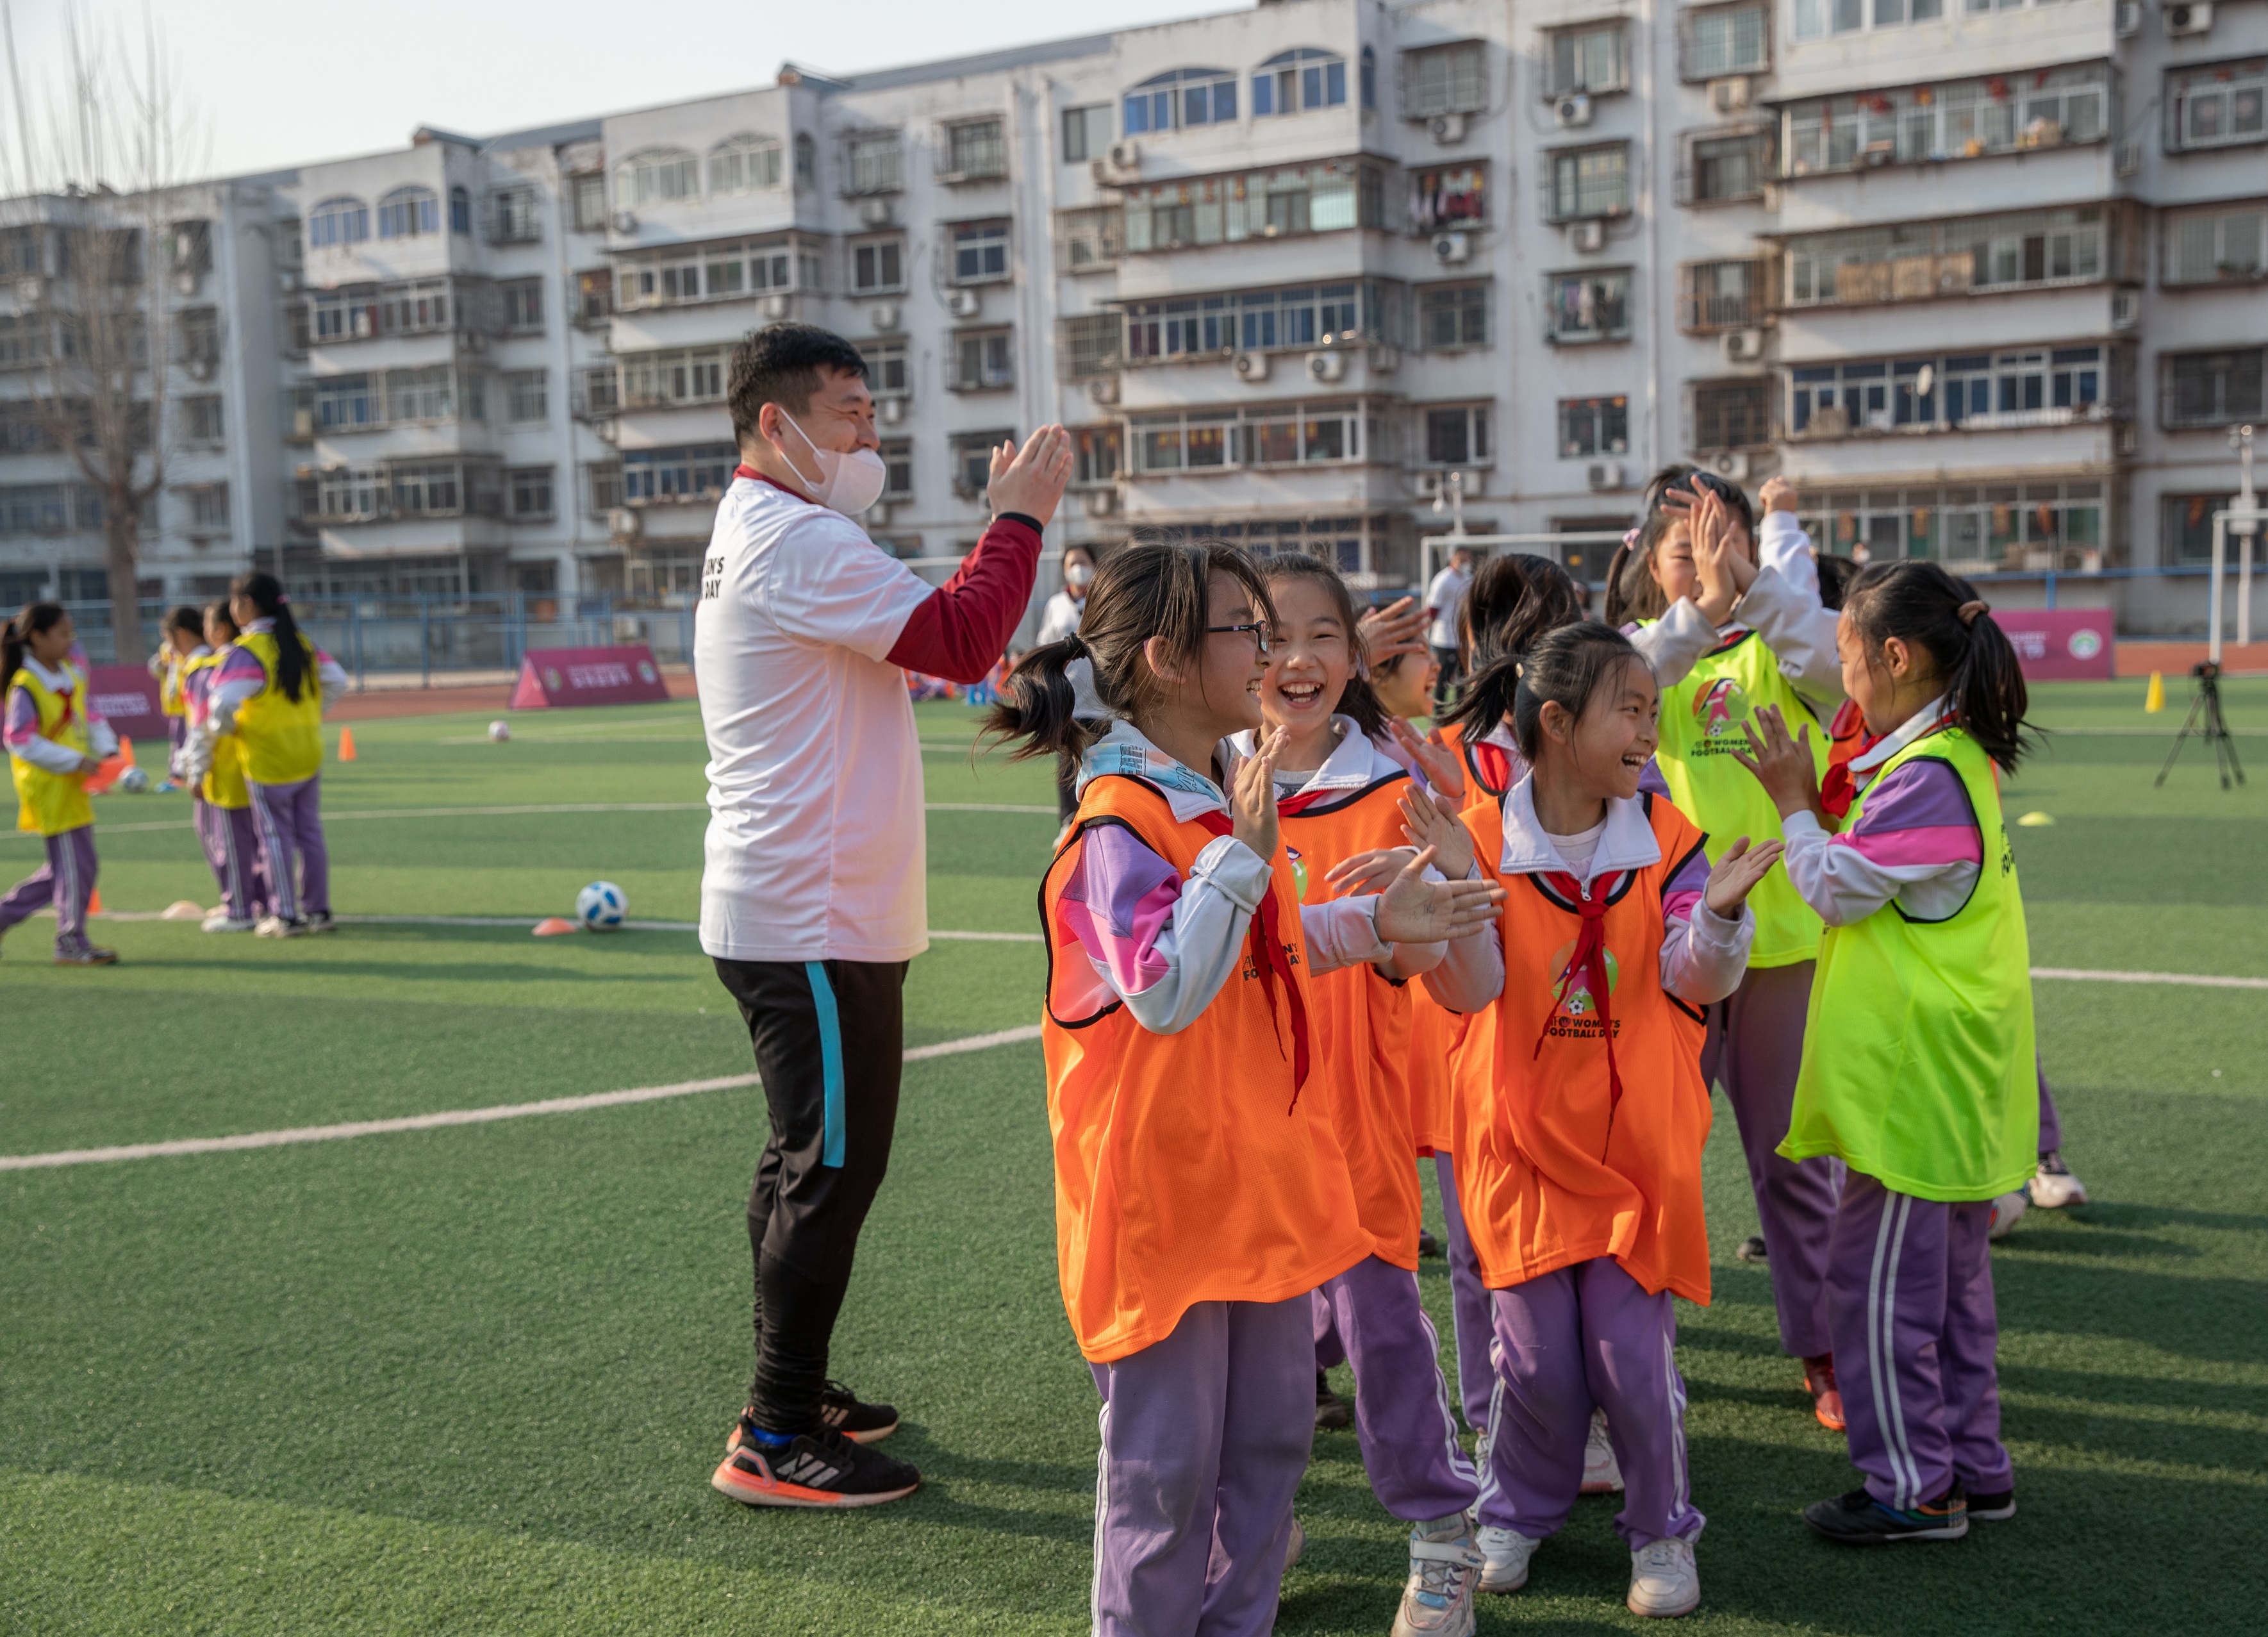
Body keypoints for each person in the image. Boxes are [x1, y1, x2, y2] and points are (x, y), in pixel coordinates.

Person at [985, 540, 1500, 1637]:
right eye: (1245, 630)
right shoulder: (1118, 818)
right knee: (1164, 1481)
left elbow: (1258, 952)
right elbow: (1166, 982)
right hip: (1163, 1210)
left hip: (1256, 1189)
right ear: (1170, 658)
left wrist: (1372, 923)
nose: (1268, 654)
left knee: (1267, 1442)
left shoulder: (1217, 792)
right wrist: (1248, 851)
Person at [698, 322, 1073, 1511]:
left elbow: (928, 653)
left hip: (802, 902)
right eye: (851, 410)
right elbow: (960, 638)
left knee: (801, 1159)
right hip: (810, 911)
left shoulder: (786, 532)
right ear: (778, 422)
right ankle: (773, 1429)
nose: (871, 433)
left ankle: (787, 1392)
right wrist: (1015, 519)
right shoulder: (792, 535)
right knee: (831, 1167)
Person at [1421, 622, 1781, 1620]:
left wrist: (1713, 919)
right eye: (1629, 712)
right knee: (1530, 1360)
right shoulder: (1479, 836)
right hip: (1518, 1145)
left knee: (1630, 1361)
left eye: (1650, 715)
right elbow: (1474, 988)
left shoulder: (1667, 841)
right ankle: (1512, 1511)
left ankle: (1662, 1529)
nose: (1645, 734)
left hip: (1632, 1157)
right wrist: (1458, 887)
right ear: (1554, 722)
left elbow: (1688, 979)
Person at [1732, 563, 2039, 1545]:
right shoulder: (1948, 758)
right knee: (1946, 1294)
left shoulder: (1925, 777)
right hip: (1940, 1080)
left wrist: (1787, 800)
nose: (1839, 672)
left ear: (1894, 657)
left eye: (1848, 654)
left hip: (1912, 1087)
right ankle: (1971, 1469)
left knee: (1875, 1294)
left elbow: (1829, 887)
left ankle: (1914, 1485)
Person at [1230, 551, 1487, 1637]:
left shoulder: (1393, 794)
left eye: (1318, 636)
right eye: (1266, 636)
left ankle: (1440, 1536)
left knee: (1383, 1351)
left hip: (1351, 1132)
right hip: (1231, 1139)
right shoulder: (1193, 782)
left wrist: (1446, 882)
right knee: (1249, 1376)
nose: (1293, 658)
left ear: (1355, 656)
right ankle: (1252, 1527)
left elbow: (1476, 984)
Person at [1605, 470, 1854, 1433]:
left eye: (1725, 549)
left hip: (1783, 947)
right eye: (1686, 552)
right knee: (1651, 1154)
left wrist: (1749, 590)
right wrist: (1703, 608)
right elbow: (1624, 690)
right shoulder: (1641, 662)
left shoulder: (1785, 650)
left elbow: (1835, 671)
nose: (1707, 568)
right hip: (1670, 945)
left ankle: (1824, 1348)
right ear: (1649, 566)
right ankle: (1635, 1345)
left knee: (1791, 1161)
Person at [194, 572, 349, 938]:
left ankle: (285, 915)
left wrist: (227, 729)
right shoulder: (301, 642)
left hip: (267, 758)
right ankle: (318, 909)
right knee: (310, 832)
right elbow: (337, 680)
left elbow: (221, 704)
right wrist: (311, 714)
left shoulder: (247, 652)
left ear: (245, 606)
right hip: (307, 753)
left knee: (274, 837)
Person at [1, 602, 119, 965]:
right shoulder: (27, 683)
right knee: (76, 867)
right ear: (37, 637)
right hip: (50, 787)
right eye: (63, 633)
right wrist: (73, 760)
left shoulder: (68, 673)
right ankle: (70, 941)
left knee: (66, 869)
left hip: (71, 784)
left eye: (72, 633)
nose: (71, 641)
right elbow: (19, 739)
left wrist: (108, 749)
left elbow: (88, 715)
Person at [183, 601, 270, 933]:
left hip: (227, 768)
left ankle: (239, 910)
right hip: (261, 763)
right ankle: (268, 903)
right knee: (264, 841)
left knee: (232, 844)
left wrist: (195, 770)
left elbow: (201, 727)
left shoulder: (207, 671)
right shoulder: (254, 659)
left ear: (219, 630)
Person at [1039, 544, 1099, 829]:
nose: (1077, 567)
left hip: (1103, 698)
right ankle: (1068, 821)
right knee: (1067, 761)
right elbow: (1044, 645)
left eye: (1083, 561)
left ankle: (1102, 817)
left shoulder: (1105, 601)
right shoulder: (1055, 605)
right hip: (1068, 698)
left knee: (1103, 759)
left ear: (1094, 565)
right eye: (1071, 563)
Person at [151, 605, 206, 791]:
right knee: (179, 738)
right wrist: (160, 667)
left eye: (167, 635)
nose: (167, 641)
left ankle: (180, 774)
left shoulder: (198, 658)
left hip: (188, 705)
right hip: (176, 704)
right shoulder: (167, 650)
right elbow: (156, 667)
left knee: (189, 737)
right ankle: (181, 773)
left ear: (180, 633)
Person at [1424, 545, 1475, 708]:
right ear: (1453, 559)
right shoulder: (1443, 580)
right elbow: (1433, 608)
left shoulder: (1468, 579)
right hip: (1444, 638)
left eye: (1468, 559)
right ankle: (1439, 711)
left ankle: (1460, 710)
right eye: (1462, 559)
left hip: (1462, 638)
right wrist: (1426, 631)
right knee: (1443, 678)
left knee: (1463, 678)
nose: (1465, 562)